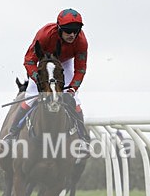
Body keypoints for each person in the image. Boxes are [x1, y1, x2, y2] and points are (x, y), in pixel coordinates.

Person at [7, 8, 89, 139]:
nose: (72, 35)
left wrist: (72, 89)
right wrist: (38, 79)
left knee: (74, 100)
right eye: (68, 31)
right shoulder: (44, 35)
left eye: (76, 30)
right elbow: (29, 61)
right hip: (44, 63)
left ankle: (84, 138)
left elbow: (80, 69)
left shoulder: (81, 42)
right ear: (59, 29)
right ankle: (12, 134)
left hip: (64, 64)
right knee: (31, 96)